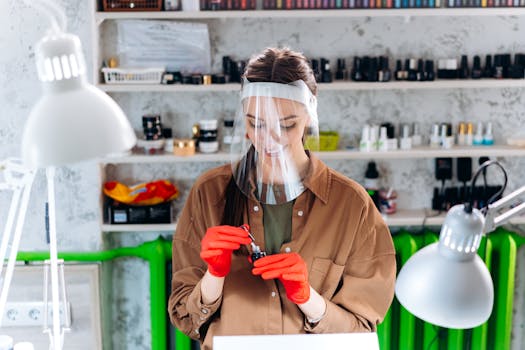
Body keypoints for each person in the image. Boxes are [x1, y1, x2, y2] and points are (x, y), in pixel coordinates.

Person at [168, 47, 396, 350]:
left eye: (286, 125)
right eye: (255, 123)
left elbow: (361, 330)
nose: (269, 139)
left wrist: (308, 298)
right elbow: (186, 318)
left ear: (308, 116)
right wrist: (214, 277)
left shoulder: (352, 206)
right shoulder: (209, 194)